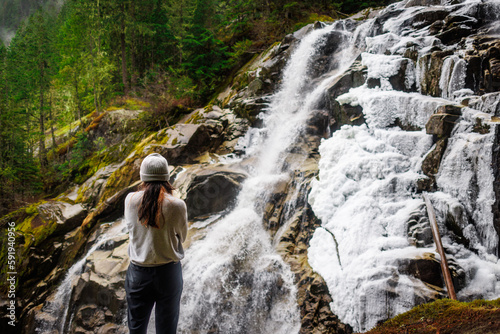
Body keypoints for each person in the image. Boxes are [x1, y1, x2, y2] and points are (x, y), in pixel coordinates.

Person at [124, 153, 188, 334]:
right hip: (168, 274)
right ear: (166, 177)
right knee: (167, 329)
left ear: (143, 177)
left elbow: (131, 229)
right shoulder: (177, 205)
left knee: (136, 328)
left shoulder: (129, 200)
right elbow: (181, 236)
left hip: (138, 274)